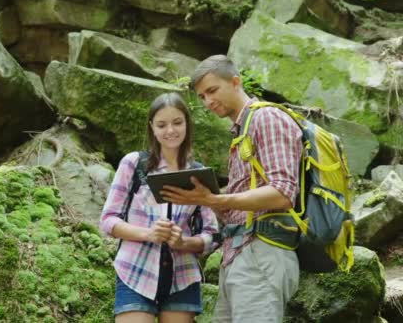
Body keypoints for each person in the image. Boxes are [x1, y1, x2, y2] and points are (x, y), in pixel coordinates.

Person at [161, 55, 303, 322]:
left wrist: (216, 199)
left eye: (212, 91)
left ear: (236, 82)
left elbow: (283, 193)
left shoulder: (267, 118)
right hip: (237, 254)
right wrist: (204, 199)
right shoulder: (241, 131)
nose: (208, 101)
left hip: (261, 252)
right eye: (202, 97)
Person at [99, 92, 219, 323]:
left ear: (187, 124)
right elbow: (108, 220)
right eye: (162, 125)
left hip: (182, 275)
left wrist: (184, 242)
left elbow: (212, 235)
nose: (170, 131)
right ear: (152, 127)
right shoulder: (134, 163)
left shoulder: (198, 172)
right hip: (135, 270)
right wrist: (149, 233)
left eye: (177, 123)